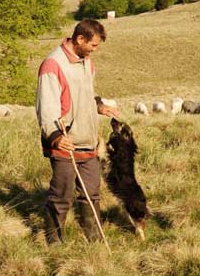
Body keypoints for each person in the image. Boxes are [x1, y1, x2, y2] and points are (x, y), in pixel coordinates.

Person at [36, 18, 118, 244]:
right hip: (65, 143)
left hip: (88, 141)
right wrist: (55, 137)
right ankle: (54, 242)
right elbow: (47, 106)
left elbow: (86, 93)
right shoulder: (53, 65)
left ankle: (94, 238)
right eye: (93, 45)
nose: (95, 50)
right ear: (79, 39)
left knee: (92, 193)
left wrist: (99, 106)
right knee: (62, 196)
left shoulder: (87, 62)